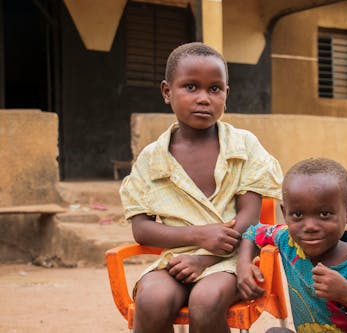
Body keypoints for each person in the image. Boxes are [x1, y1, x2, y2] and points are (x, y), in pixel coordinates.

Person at [119, 42, 283, 333]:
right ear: (167, 91)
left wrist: (204, 258)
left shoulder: (243, 146)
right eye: (191, 87)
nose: (204, 98)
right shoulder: (152, 158)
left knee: (205, 300)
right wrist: (196, 236)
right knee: (152, 300)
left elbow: (249, 217)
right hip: (175, 261)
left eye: (214, 89)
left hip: (231, 259)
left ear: (226, 94)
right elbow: (142, 229)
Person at [237, 158, 347, 333]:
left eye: (324, 214)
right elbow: (253, 232)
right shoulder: (288, 241)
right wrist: (243, 265)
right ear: (284, 213)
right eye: (297, 214)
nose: (309, 226)